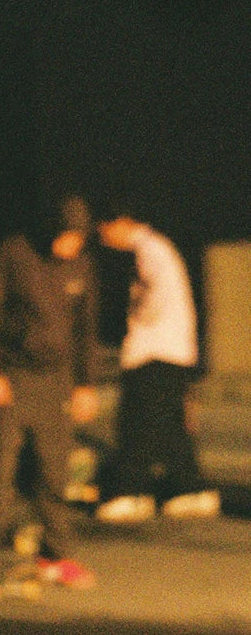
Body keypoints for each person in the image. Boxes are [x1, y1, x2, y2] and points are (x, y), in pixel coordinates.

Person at [0, 193, 101, 588]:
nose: (71, 246)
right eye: (66, 237)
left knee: (55, 471)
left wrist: (86, 384)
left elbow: (85, 330)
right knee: (0, 465)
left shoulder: (81, 265)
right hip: (13, 376)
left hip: (57, 381)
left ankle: (56, 554)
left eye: (79, 239)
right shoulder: (16, 253)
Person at [95, 211, 219, 521]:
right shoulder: (159, 247)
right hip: (173, 351)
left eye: (105, 231)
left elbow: (156, 296)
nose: (104, 239)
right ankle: (189, 489)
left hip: (154, 351)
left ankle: (131, 492)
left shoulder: (148, 249)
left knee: (136, 423)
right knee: (169, 425)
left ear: (120, 222)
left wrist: (136, 316)